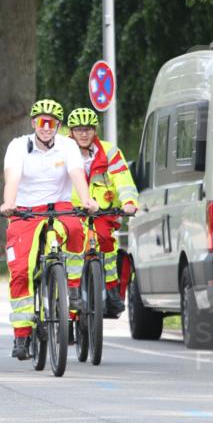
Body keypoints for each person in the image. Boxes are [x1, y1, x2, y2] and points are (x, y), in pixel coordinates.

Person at [0, 99, 98, 360]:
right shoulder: (18, 146)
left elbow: (77, 175)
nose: (46, 127)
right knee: (20, 270)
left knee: (79, 230)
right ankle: (21, 336)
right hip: (25, 211)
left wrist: (86, 200)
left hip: (59, 207)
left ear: (58, 126)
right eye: (41, 122)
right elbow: (13, 177)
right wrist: (9, 203)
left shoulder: (68, 146)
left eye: (51, 123)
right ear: (33, 123)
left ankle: (74, 288)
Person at [67, 107, 138, 317]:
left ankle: (112, 290)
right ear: (71, 131)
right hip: (71, 212)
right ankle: (66, 308)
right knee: (68, 248)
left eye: (88, 128)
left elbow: (122, 178)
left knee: (107, 241)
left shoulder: (109, 151)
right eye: (78, 129)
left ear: (94, 130)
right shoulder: (62, 151)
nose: (83, 133)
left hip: (102, 211)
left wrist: (129, 202)